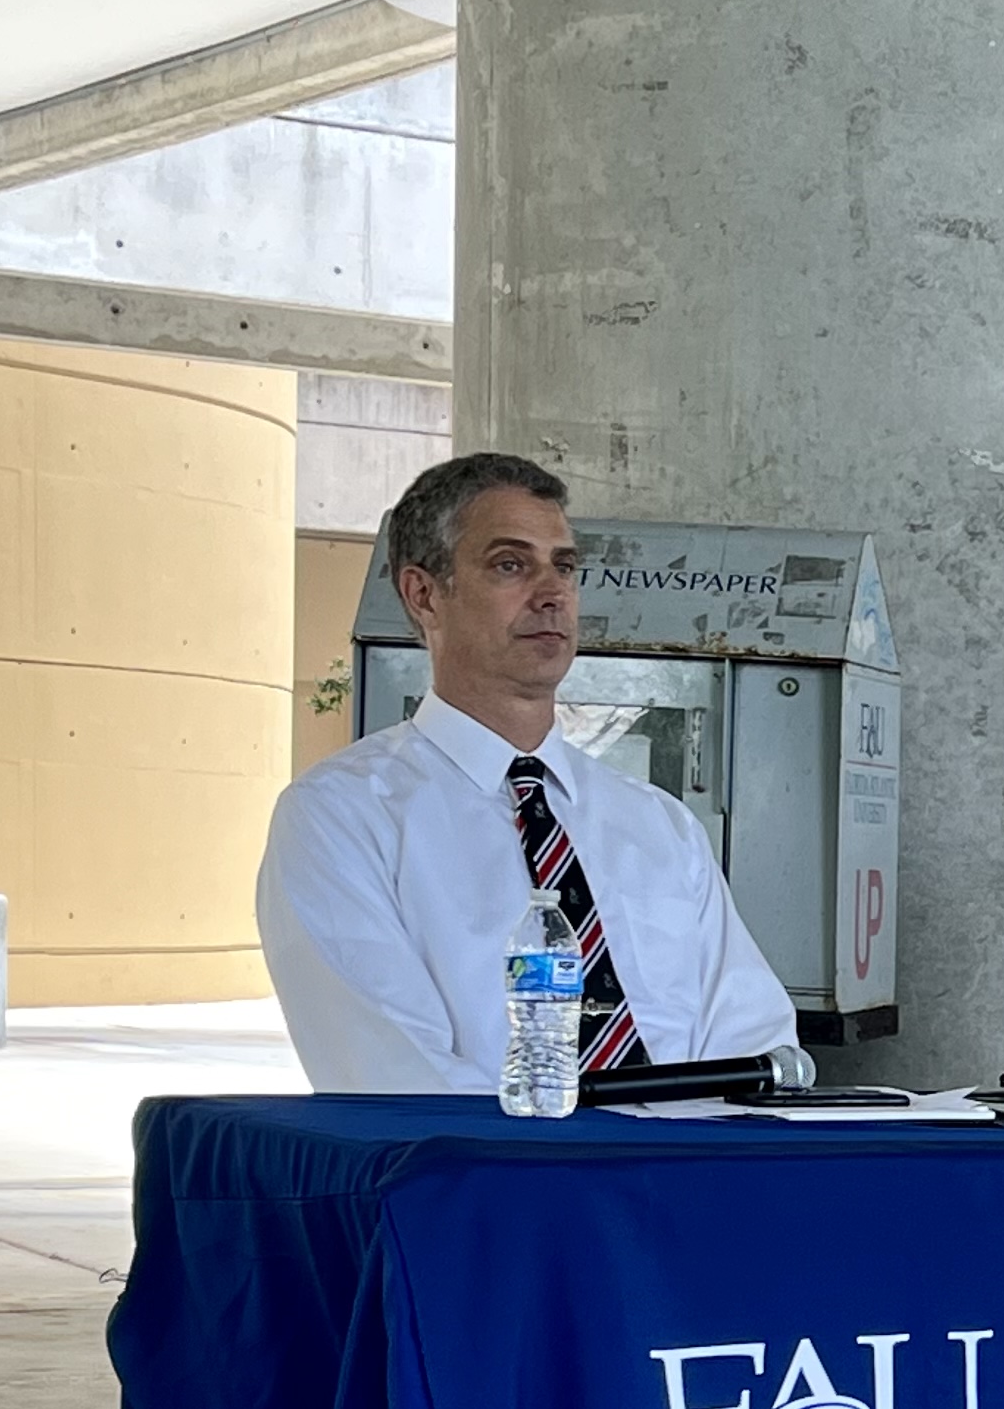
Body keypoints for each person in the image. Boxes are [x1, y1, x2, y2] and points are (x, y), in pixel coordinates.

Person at [255, 452, 796, 1095]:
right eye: (510, 565)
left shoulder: (661, 826)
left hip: (684, 1157)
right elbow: (395, 1075)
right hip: (486, 1160)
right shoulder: (340, 818)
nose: (552, 594)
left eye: (563, 566)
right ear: (424, 594)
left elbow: (755, 1042)